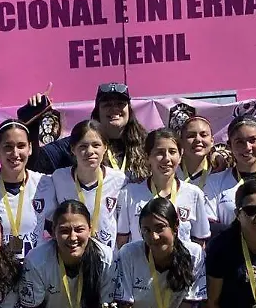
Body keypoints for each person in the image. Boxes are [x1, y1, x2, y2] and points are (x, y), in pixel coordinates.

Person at [19, 82, 150, 181]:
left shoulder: (148, 144)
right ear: (97, 111)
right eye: (107, 105)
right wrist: (30, 126)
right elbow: (35, 164)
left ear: (129, 109)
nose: (114, 109)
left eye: (120, 104)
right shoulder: (78, 144)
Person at [0, 120, 56, 259]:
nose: (15, 153)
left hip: (36, 274)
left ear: (30, 148)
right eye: (8, 147)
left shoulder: (47, 183)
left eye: (21, 146)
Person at [115, 128, 211, 248]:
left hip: (180, 265)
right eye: (159, 152)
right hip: (142, 264)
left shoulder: (194, 194)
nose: (167, 158)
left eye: (172, 152)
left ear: (180, 155)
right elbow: (122, 241)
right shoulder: (129, 194)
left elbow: (200, 242)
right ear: (147, 157)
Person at [50, 119, 129, 251]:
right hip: (73, 254)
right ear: (73, 149)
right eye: (83, 146)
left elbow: (123, 228)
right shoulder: (58, 178)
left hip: (106, 260)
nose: (90, 151)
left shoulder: (119, 180)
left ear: (105, 147)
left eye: (96, 145)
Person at [178, 116, 216, 191]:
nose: (198, 139)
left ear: (212, 141)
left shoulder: (219, 172)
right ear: (181, 141)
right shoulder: (171, 173)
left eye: (203, 135)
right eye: (191, 136)